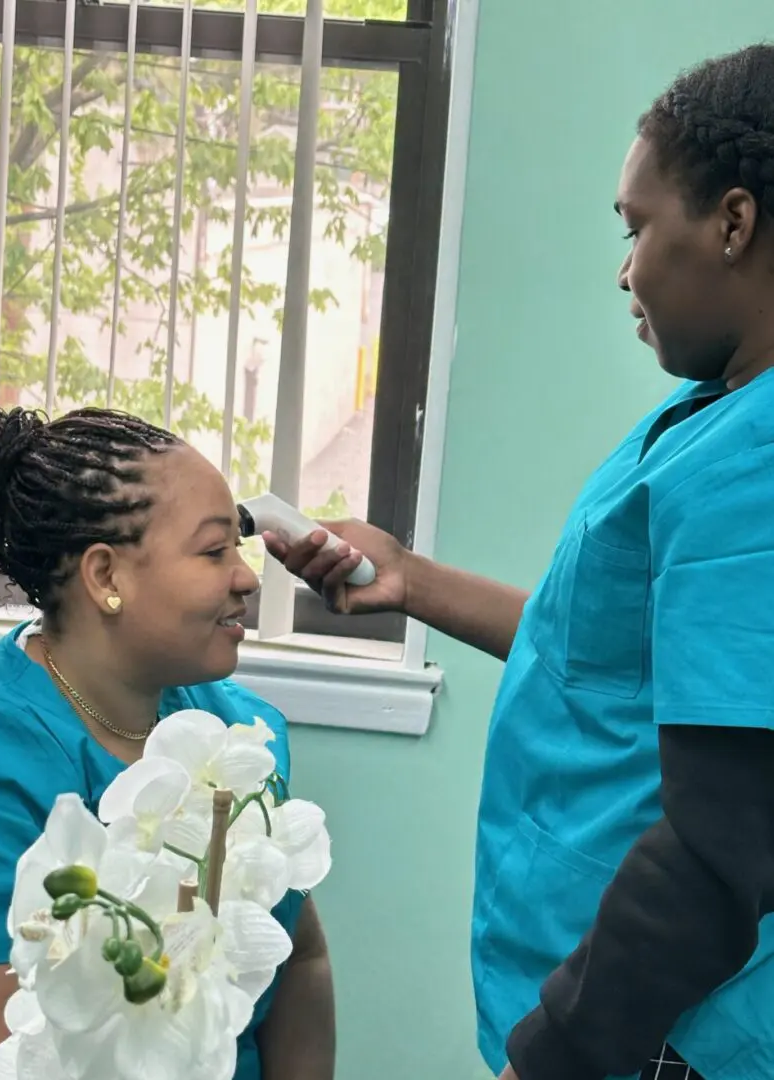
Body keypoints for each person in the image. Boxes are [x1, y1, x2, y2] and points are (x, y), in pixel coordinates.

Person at [265, 43, 774, 1080]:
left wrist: (553, 1058)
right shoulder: (711, 418)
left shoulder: (758, 462)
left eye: (636, 228)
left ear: (731, 222)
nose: (624, 267)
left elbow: (727, 845)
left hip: (654, 1042)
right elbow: (620, 653)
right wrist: (410, 577)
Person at [0, 406, 335, 1080]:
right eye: (214, 550)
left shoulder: (240, 736)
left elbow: (301, 960)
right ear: (106, 578)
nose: (248, 578)